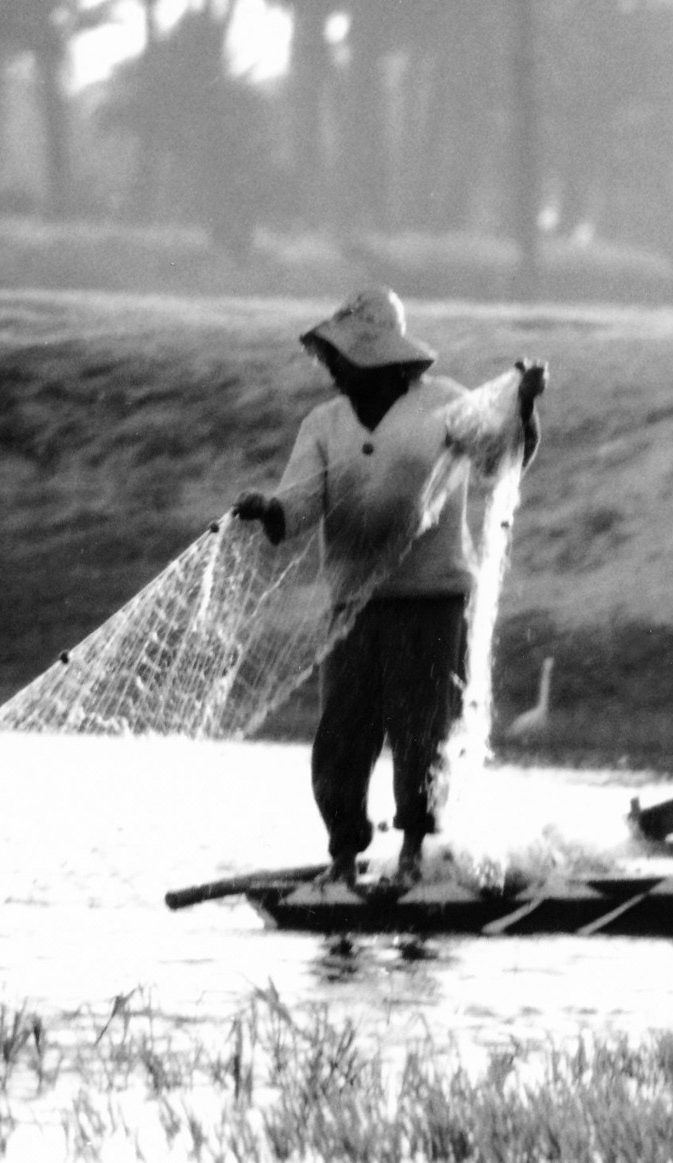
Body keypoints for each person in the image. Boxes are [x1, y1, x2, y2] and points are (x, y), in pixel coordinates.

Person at [230, 289, 546, 885]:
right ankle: (345, 858)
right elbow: (299, 502)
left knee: (421, 735)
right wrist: (268, 509)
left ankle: (412, 856)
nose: (336, 371)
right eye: (334, 360)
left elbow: (498, 459)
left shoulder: (446, 406)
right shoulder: (323, 424)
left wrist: (523, 409)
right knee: (342, 738)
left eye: (345, 360)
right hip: (354, 607)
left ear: (381, 360)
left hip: (432, 602)